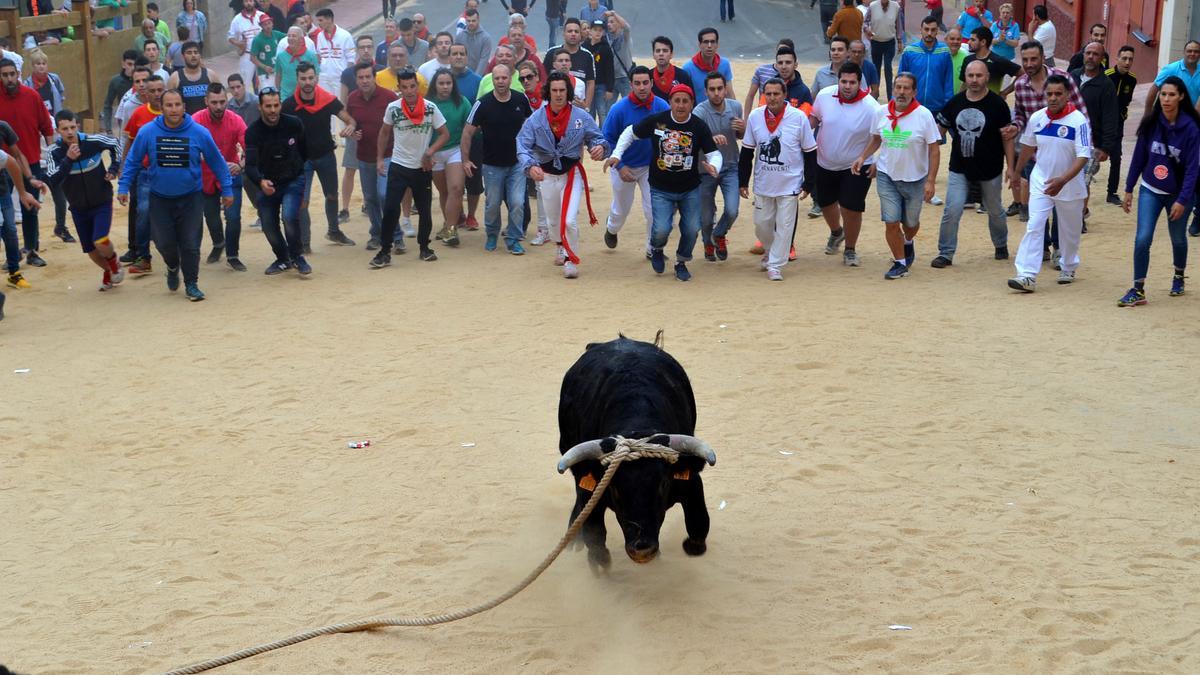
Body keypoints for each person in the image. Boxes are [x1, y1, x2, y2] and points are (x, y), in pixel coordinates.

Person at [117, 89, 234, 301]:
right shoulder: (147, 132)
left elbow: (217, 161)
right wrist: (123, 185)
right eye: (169, 105)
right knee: (164, 243)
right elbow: (133, 160)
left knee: (190, 243)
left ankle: (191, 283)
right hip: (160, 198)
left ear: (184, 107)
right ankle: (172, 267)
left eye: (177, 105)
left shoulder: (199, 132)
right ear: (161, 108)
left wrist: (226, 188)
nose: (173, 109)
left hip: (191, 198)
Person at [608, 83, 719, 281]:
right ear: (670, 103)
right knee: (661, 229)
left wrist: (714, 166)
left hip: (689, 188)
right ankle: (657, 248)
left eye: (685, 101)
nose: (681, 105)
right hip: (660, 188)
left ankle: (681, 262)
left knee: (692, 228)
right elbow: (629, 133)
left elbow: (713, 153)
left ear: (692, 103)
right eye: (677, 101)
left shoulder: (698, 126)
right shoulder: (658, 121)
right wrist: (617, 154)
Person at [1117, 77, 1200, 306]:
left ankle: (1179, 274)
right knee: (1143, 238)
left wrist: (1183, 200)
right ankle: (1138, 289)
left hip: (1179, 194)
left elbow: (1193, 169)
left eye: (1171, 95)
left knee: (1178, 238)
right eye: (1163, 94)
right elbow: (1139, 158)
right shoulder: (1151, 123)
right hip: (1150, 189)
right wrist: (1128, 188)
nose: (1166, 99)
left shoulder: (1191, 129)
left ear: (1181, 97)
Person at [517, 71, 608, 278]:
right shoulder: (536, 119)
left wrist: (599, 148)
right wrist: (530, 166)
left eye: (562, 90)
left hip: (571, 174)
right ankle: (560, 244)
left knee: (569, 220)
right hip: (547, 176)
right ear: (548, 92)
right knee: (553, 221)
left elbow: (598, 138)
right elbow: (522, 145)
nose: (558, 94)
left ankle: (570, 258)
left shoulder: (581, 116)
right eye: (555, 90)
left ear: (568, 92)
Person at [851, 72, 940, 279]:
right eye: (898, 87)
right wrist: (863, 157)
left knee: (910, 223)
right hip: (886, 175)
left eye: (906, 88)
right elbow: (876, 139)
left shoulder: (924, 115)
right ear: (893, 89)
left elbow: (934, 149)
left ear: (914, 92)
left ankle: (908, 241)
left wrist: (931, 181)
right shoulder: (881, 113)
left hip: (915, 179)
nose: (901, 92)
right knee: (891, 221)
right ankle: (900, 263)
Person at [1007, 74, 1091, 292]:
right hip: (1041, 181)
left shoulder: (1078, 121)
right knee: (1034, 225)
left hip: (1070, 185)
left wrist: (1063, 180)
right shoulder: (1037, 118)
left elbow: (1083, 156)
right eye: (1049, 94)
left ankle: (1069, 265)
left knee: (1069, 231)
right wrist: (1016, 173)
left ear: (1067, 95)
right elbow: (1027, 145)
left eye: (1058, 94)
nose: (1053, 98)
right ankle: (1026, 275)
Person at [932, 60, 1014, 267]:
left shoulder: (998, 104)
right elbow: (936, 133)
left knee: (995, 210)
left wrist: (1011, 168)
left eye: (979, 76)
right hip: (959, 167)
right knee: (953, 209)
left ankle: (1000, 243)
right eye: (971, 76)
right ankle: (946, 252)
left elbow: (1007, 137)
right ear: (965, 78)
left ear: (987, 77)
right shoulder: (955, 102)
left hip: (991, 169)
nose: (975, 80)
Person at [739, 77, 817, 280]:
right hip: (764, 182)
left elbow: (810, 152)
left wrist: (809, 183)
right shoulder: (755, 117)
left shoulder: (799, 117)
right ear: (764, 95)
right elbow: (747, 151)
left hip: (790, 183)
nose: (772, 98)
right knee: (761, 224)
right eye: (769, 94)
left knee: (785, 226)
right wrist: (742, 181)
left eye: (777, 94)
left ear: (785, 96)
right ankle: (770, 249)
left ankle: (775, 264)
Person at [372, 70, 451, 268]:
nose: (409, 91)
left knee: (424, 210)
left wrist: (430, 151)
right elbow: (384, 133)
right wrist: (380, 158)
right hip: (398, 165)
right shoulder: (393, 108)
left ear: (417, 86)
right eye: (404, 87)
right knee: (390, 209)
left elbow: (444, 134)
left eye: (412, 86)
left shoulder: (430, 108)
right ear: (399, 87)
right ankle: (384, 251)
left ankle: (424, 247)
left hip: (421, 167)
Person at [1011, 40, 1087, 227]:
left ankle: (1059, 248)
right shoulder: (1020, 85)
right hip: (1035, 155)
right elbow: (1021, 115)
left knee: (1060, 206)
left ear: (1043, 58)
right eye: (1025, 60)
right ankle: (1042, 249)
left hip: (1063, 154)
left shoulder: (1064, 78)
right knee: (1038, 207)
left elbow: (1082, 114)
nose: (1029, 64)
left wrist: (1083, 148)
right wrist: (1015, 126)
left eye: (1034, 59)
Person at [810, 62, 879, 266]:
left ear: (860, 83)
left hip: (856, 166)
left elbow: (879, 137)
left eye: (852, 82)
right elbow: (814, 119)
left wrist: (871, 159)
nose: (847, 86)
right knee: (825, 203)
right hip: (824, 162)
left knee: (851, 208)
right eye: (843, 81)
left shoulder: (871, 107)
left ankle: (850, 249)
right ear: (838, 80)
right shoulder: (824, 95)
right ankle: (836, 232)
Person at [282, 62, 357, 251]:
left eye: (310, 78)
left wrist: (350, 126)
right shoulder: (289, 105)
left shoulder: (327, 100)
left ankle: (334, 231)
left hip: (325, 156)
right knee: (303, 202)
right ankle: (305, 243)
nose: (307, 82)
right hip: (302, 159)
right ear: (297, 80)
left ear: (316, 78)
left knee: (332, 196)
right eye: (303, 78)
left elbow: (348, 119)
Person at [462, 64, 533, 253]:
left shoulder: (521, 99)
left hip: (517, 163)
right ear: (492, 80)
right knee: (493, 203)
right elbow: (467, 132)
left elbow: (532, 125)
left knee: (518, 202)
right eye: (497, 78)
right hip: (492, 165)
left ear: (511, 78)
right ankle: (492, 234)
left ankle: (513, 238)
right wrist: (465, 160)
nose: (501, 81)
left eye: (504, 78)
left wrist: (532, 153)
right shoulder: (482, 103)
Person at [601, 65, 666, 257]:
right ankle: (611, 228)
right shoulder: (618, 109)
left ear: (652, 83)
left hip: (651, 168)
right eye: (637, 83)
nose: (642, 87)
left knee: (653, 211)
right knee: (621, 211)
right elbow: (607, 140)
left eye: (646, 83)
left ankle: (652, 248)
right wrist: (620, 166)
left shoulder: (662, 107)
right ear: (630, 85)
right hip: (624, 167)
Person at [245, 86, 309, 274]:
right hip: (267, 183)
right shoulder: (253, 132)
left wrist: (296, 169)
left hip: (293, 179)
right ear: (260, 107)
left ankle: (298, 256)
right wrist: (260, 182)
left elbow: (304, 150)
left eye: (276, 105)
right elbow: (249, 166)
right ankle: (282, 258)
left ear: (280, 105)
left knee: (289, 217)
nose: (273, 110)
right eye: (268, 106)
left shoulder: (294, 124)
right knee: (268, 225)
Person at [0, 59, 53, 269]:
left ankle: (31, 251)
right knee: (4, 213)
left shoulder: (32, 96)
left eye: (12, 74)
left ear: (18, 73)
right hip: (2, 165)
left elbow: (47, 127)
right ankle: (12, 255)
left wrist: (51, 156)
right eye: (4, 75)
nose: (9, 78)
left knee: (30, 208)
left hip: (30, 160)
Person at [192, 83, 248, 270]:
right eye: (214, 102)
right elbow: (190, 149)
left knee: (233, 217)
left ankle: (233, 255)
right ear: (206, 101)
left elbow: (251, 148)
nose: (218, 106)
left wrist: (240, 165)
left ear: (227, 100)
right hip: (205, 176)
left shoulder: (236, 120)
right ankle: (218, 244)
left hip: (230, 173)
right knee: (211, 216)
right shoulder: (196, 120)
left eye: (222, 102)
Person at [345, 63, 399, 251]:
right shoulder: (352, 99)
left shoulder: (389, 97)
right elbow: (352, 121)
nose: (365, 80)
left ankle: (396, 234)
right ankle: (376, 233)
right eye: (361, 77)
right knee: (370, 198)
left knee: (385, 195)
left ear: (374, 77)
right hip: (364, 155)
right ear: (356, 79)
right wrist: (353, 132)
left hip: (388, 154)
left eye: (368, 76)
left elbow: (399, 124)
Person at [23, 49, 71, 244]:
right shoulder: (27, 87)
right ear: (32, 67)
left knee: (60, 196)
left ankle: (60, 227)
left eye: (44, 63)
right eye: (37, 64)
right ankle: (31, 241)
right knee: (31, 198)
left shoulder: (54, 80)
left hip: (51, 138)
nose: (41, 67)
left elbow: (62, 100)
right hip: (34, 151)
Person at [693, 71, 742, 262]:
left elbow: (740, 137)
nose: (716, 93)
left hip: (730, 166)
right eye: (712, 89)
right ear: (706, 92)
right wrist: (710, 140)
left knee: (732, 210)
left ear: (725, 89)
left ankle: (719, 234)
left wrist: (743, 130)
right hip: (705, 169)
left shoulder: (735, 107)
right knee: (705, 216)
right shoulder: (699, 112)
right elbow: (694, 141)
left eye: (720, 88)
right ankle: (707, 243)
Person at [122, 74, 165, 276]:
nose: (157, 94)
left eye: (160, 90)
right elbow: (130, 144)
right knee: (143, 212)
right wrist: (124, 170)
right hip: (145, 173)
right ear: (145, 93)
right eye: (153, 91)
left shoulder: (174, 113)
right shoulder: (138, 114)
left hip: (170, 171)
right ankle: (143, 256)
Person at [1070, 42, 1118, 215]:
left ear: (1102, 59)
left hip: (1091, 143)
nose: (1090, 57)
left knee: (1083, 181)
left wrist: (1105, 147)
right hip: (1067, 138)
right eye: (1087, 53)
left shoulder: (1106, 85)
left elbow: (1110, 118)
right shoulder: (1072, 77)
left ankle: (1080, 216)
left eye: (1095, 54)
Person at [426, 69, 472, 248]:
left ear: (453, 85)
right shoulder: (428, 103)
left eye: (448, 83)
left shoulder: (462, 102)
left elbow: (469, 126)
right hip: (434, 153)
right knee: (444, 191)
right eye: (441, 83)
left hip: (455, 150)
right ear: (435, 85)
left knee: (456, 188)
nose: (445, 87)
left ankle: (452, 228)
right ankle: (447, 224)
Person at [0, 122, 41, 291]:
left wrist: (24, 190)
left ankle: (14, 273)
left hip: (1, 191)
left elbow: (13, 161)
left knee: (10, 230)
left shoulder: (2, 127)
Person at [897, 16, 953, 131]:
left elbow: (948, 82)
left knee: (934, 145)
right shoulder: (909, 51)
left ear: (937, 30)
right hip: (912, 106)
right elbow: (900, 79)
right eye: (926, 29)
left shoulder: (944, 52)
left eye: (933, 30)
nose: (929, 33)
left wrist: (948, 108)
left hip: (937, 108)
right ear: (921, 30)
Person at [1105, 45, 1137, 206]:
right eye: (1124, 58)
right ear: (1117, 58)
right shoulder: (1106, 76)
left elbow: (1127, 101)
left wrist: (1122, 117)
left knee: (1116, 158)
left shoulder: (1132, 80)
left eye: (1130, 59)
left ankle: (1112, 193)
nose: (1127, 62)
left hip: (1118, 125)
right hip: (1102, 125)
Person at [543, 19, 596, 109]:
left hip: (577, 107)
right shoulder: (551, 53)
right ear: (563, 34)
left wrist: (587, 105)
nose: (573, 34)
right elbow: (543, 78)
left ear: (580, 35)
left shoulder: (587, 56)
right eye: (570, 31)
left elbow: (590, 82)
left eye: (576, 31)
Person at [961, 27, 1021, 96]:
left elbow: (1022, 74)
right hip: (970, 104)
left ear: (983, 42)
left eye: (973, 40)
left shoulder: (998, 61)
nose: (968, 42)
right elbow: (964, 84)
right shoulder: (967, 60)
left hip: (991, 105)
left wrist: (1005, 93)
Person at [311, 8, 354, 102]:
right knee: (324, 105)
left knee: (340, 105)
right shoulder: (320, 36)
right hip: (324, 79)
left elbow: (351, 59)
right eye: (318, 20)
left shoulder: (345, 35)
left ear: (329, 19)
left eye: (321, 20)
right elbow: (319, 56)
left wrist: (346, 77)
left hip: (339, 78)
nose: (318, 23)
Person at [863, 0, 901, 100]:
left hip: (889, 42)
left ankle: (890, 97)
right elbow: (865, 22)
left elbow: (899, 25)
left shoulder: (896, 6)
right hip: (876, 42)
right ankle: (875, 95)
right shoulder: (873, 6)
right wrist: (867, 29)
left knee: (888, 68)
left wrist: (900, 40)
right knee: (876, 69)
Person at [167, 42, 219, 115]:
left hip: (208, 122)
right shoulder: (175, 78)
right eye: (189, 53)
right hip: (185, 122)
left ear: (200, 55)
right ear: (183, 56)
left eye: (196, 52)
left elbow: (220, 99)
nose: (193, 55)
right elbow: (169, 103)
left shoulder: (211, 75)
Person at [682, 27, 734, 95]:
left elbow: (729, 93)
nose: (709, 46)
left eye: (712, 42)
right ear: (699, 45)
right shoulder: (688, 68)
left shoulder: (725, 64)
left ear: (717, 44)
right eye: (706, 42)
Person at [227, 0, 265, 89]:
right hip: (247, 55)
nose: (248, 3)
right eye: (246, 1)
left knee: (263, 83)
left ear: (254, 2)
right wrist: (239, 44)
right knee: (244, 83)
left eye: (251, 1)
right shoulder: (237, 19)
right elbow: (230, 37)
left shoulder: (262, 15)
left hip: (262, 55)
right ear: (243, 3)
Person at [276, 26, 318, 103]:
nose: (290, 38)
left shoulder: (311, 56)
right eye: (289, 36)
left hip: (305, 96)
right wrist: (277, 93)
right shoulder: (281, 56)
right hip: (286, 96)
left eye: (294, 36)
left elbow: (316, 76)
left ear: (301, 39)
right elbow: (278, 75)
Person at [585, 20, 615, 125]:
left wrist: (610, 89)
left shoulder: (606, 48)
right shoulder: (584, 47)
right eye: (595, 30)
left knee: (602, 112)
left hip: (601, 85)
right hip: (588, 85)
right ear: (590, 31)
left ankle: (604, 135)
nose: (597, 32)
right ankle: (590, 135)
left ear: (603, 32)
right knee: (589, 111)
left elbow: (610, 70)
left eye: (600, 30)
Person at [102, 50, 138, 135]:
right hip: (124, 120)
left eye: (135, 65)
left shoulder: (143, 80)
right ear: (123, 64)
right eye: (129, 64)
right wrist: (108, 129)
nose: (132, 68)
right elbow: (107, 105)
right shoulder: (116, 81)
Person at [647, 36, 691, 102]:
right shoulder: (648, 76)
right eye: (658, 51)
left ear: (671, 54)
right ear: (653, 55)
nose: (661, 54)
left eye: (665, 51)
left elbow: (690, 101)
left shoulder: (682, 75)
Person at [249, 14, 284, 89]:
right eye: (265, 24)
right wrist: (264, 67)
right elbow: (252, 58)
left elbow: (288, 37)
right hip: (264, 74)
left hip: (277, 72)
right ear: (261, 26)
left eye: (269, 23)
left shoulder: (276, 34)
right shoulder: (257, 40)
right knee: (267, 94)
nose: (268, 26)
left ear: (272, 23)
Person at [455, 8, 493, 74]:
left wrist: (475, 78)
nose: (471, 23)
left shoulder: (486, 38)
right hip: (462, 74)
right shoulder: (459, 37)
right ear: (465, 21)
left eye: (473, 21)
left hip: (480, 76)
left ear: (478, 20)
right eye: (468, 21)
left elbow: (483, 60)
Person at [606, 11, 633, 96]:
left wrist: (613, 13)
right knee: (609, 108)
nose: (608, 24)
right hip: (612, 79)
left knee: (629, 106)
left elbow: (627, 27)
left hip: (624, 78)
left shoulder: (625, 37)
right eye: (608, 22)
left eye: (612, 22)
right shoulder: (609, 39)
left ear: (619, 24)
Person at [946, 28, 966, 94]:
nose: (955, 42)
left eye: (958, 39)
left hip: (958, 99)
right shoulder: (939, 55)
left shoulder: (966, 58)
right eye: (952, 39)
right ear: (946, 40)